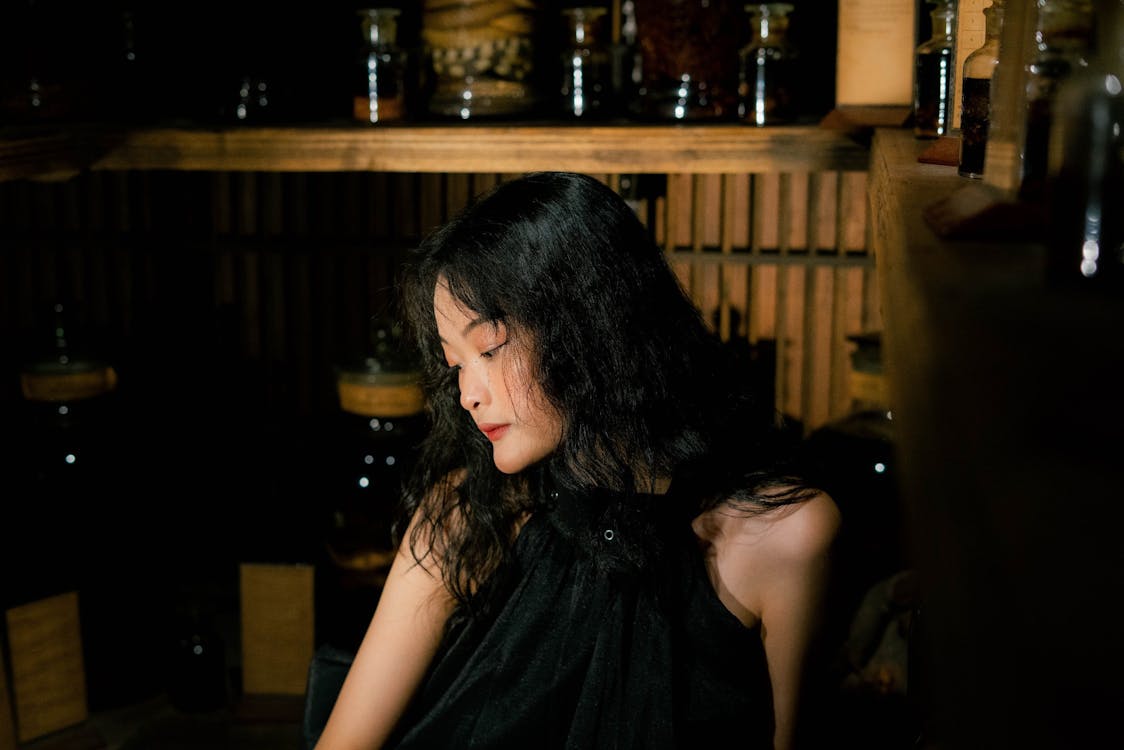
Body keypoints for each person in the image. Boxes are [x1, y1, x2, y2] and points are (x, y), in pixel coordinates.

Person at [314, 171, 841, 750]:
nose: (469, 394)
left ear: (588, 326)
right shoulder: (466, 515)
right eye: (455, 363)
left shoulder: (782, 534)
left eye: (489, 349)